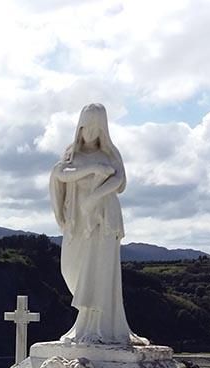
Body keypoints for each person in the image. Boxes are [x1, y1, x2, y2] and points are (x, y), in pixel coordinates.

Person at [49, 103, 146, 345]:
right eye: (85, 127)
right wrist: (92, 169)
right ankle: (85, 320)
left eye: (95, 127)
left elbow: (120, 181)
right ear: (79, 127)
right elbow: (60, 174)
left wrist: (95, 195)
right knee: (70, 269)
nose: (90, 133)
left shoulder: (110, 154)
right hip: (78, 221)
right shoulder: (72, 154)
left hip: (103, 220)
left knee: (100, 271)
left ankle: (99, 326)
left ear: (103, 129)